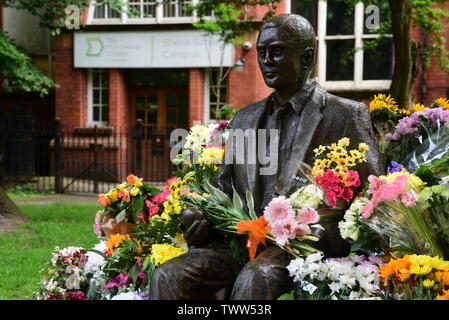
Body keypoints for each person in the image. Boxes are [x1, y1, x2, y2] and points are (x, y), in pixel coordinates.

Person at [148, 14, 383, 300]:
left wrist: (324, 231)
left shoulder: (345, 114)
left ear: (307, 58)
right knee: (168, 275)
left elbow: (372, 198)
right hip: (241, 241)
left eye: (278, 51)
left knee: (255, 276)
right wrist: (199, 216)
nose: (267, 60)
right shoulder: (245, 118)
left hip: (304, 246)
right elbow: (223, 189)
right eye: (262, 52)